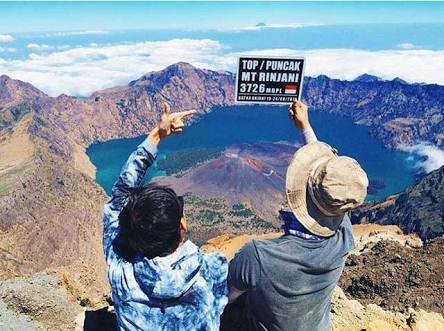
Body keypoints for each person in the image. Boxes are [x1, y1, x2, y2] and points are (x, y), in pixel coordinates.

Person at [226, 100, 369, 331]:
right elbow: (334, 190)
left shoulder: (258, 255)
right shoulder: (344, 236)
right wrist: (305, 127)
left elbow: (228, 296)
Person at [102, 103, 228, 330]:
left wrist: (156, 135)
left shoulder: (119, 270)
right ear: (182, 225)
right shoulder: (209, 270)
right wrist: (158, 135)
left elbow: (118, 199)